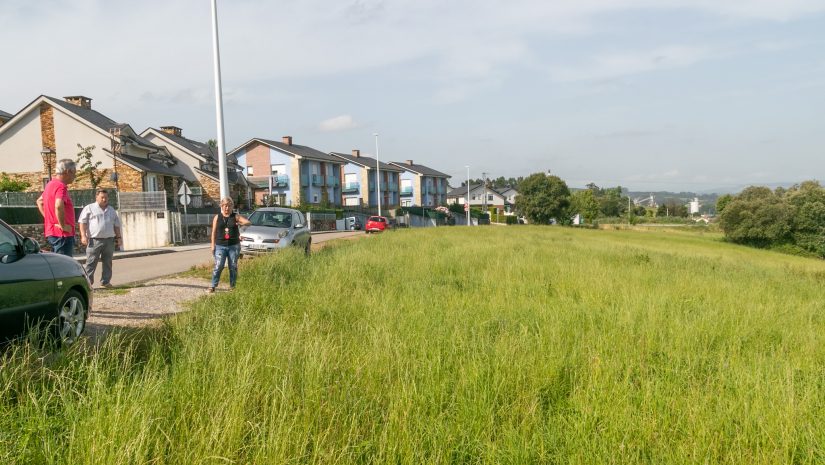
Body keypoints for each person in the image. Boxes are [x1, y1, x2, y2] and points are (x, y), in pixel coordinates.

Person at [78, 188, 122, 288]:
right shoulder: (89, 208)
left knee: (108, 262)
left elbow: (116, 225)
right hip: (94, 240)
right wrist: (83, 235)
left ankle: (105, 282)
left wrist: (119, 238)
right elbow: (82, 222)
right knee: (91, 262)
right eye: (102, 197)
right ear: (96, 197)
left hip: (109, 240)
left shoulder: (111, 210)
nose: (104, 200)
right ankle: (88, 284)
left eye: (106, 197)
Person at [36, 158, 77, 257]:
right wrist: (62, 225)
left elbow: (39, 201)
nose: (75, 176)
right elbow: (58, 205)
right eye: (74, 172)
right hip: (62, 235)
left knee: (59, 263)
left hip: (54, 233)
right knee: (64, 267)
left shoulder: (50, 184)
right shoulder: (61, 186)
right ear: (68, 171)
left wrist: (51, 219)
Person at [209, 197, 251, 293]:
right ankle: (213, 286)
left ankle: (233, 286)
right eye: (225, 206)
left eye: (229, 206)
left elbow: (248, 222)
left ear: (232, 206)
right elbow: (213, 232)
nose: (227, 208)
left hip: (234, 246)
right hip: (220, 246)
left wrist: (240, 224)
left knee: (233, 266)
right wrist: (212, 245)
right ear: (221, 206)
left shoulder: (235, 216)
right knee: (218, 265)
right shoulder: (217, 217)